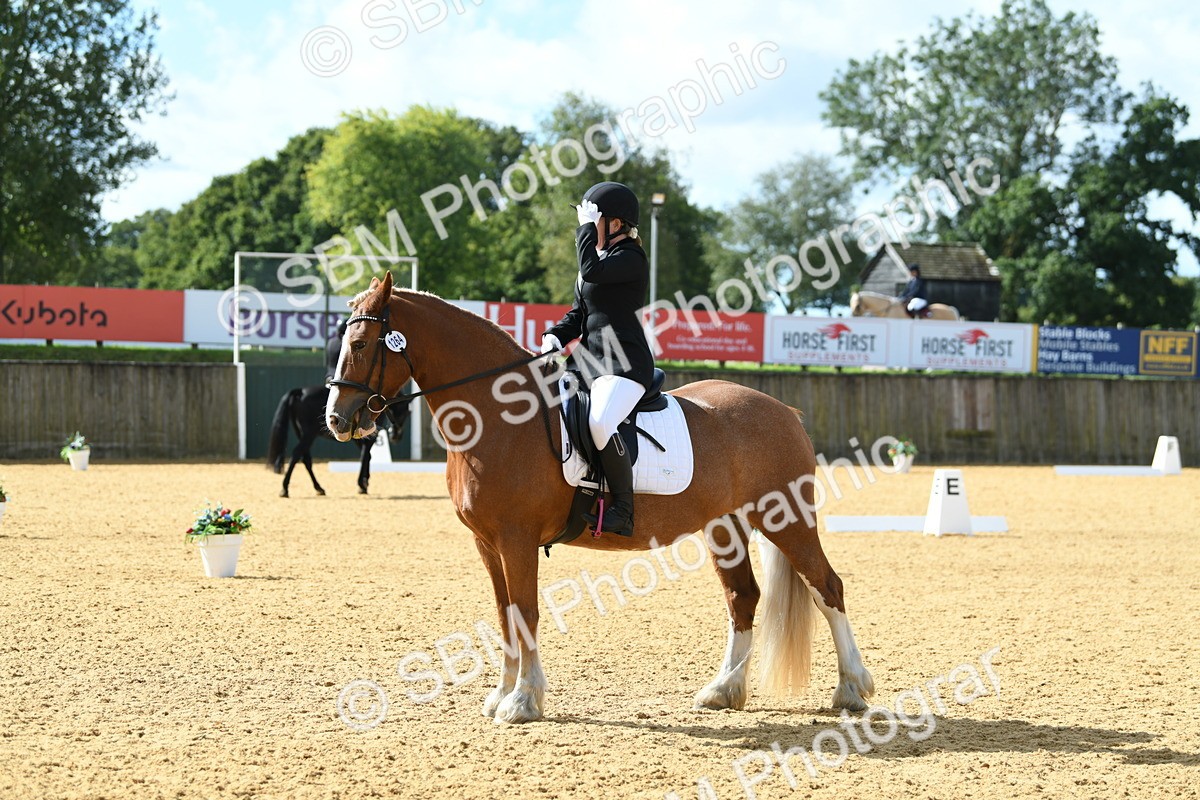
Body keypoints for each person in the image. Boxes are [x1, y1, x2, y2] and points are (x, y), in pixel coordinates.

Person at [541, 181, 654, 536]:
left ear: (616, 224)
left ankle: (624, 508)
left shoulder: (631, 259)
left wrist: (585, 230)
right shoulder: (597, 260)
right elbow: (579, 314)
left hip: (624, 364)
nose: (589, 226)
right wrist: (554, 336)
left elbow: (592, 272)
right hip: (588, 363)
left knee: (601, 422)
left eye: (596, 220)